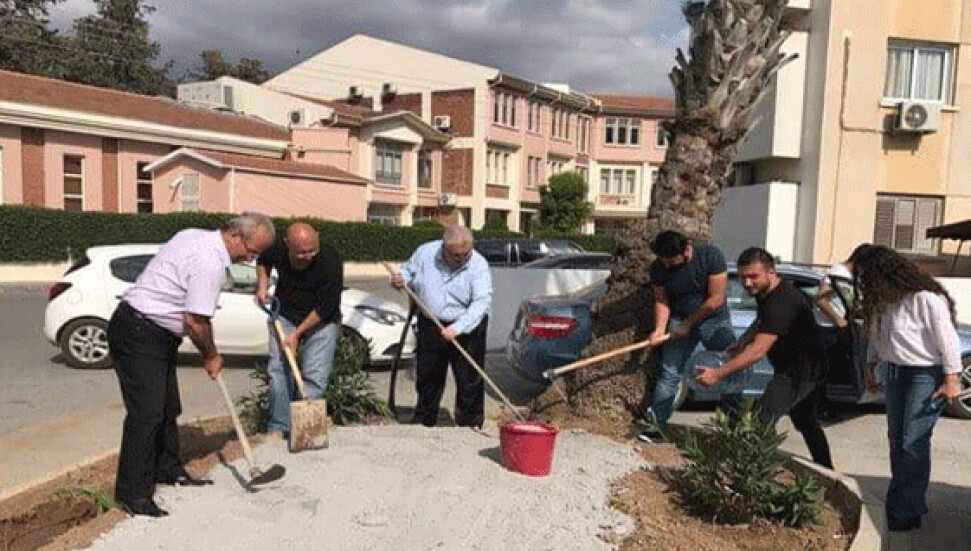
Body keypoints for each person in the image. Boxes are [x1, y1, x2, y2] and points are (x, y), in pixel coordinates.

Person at [107, 213, 276, 517]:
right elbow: (196, 322)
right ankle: (132, 495)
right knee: (146, 415)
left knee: (168, 407)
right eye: (252, 251)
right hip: (140, 332)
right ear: (236, 236)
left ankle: (168, 470)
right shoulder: (209, 263)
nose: (252, 259)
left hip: (154, 332)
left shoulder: (192, 233)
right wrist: (211, 356)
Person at [853, 245, 961, 532]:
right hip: (895, 373)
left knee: (913, 441)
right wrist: (870, 367)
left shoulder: (926, 300)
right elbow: (877, 338)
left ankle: (903, 509)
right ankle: (905, 504)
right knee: (897, 439)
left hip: (924, 375)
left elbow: (948, 339)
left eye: (867, 276)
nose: (864, 283)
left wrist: (952, 379)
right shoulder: (881, 304)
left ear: (884, 273)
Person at [695, 247, 834, 469]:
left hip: (799, 372)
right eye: (743, 277)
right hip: (799, 367)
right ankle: (827, 470)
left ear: (771, 273)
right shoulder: (767, 294)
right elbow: (762, 321)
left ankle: (755, 475)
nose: (747, 283)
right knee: (805, 421)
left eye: (753, 277)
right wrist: (743, 341)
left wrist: (718, 374)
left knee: (762, 419)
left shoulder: (783, 301)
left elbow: (759, 351)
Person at [639, 230, 737, 442]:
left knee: (732, 368)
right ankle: (655, 427)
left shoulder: (710, 256)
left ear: (686, 251)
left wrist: (687, 324)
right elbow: (662, 301)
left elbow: (717, 299)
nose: (666, 266)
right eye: (663, 261)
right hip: (679, 319)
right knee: (669, 372)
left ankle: (734, 430)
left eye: (671, 261)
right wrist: (659, 329)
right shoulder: (658, 268)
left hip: (714, 320)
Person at [391, 225, 492, 428]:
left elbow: (481, 302)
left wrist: (458, 328)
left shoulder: (478, 265)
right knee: (428, 374)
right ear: (444, 248)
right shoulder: (425, 252)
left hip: (468, 326)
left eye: (466, 254)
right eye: (456, 256)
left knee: (469, 378)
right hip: (431, 322)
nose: (462, 259)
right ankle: (425, 419)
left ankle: (469, 422)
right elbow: (407, 271)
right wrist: (400, 279)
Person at [255, 222, 343, 438]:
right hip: (284, 314)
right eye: (301, 252)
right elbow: (263, 261)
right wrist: (262, 287)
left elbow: (325, 308)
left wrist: (297, 333)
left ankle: (306, 431)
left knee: (314, 375)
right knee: (278, 369)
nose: (308, 256)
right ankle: (279, 426)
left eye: (312, 250)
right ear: (287, 245)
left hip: (321, 320)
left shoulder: (330, 262)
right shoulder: (275, 247)